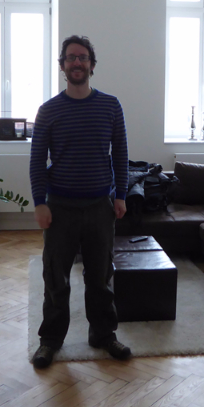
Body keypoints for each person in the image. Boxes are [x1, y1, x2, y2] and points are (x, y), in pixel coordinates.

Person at [29, 35, 131, 369]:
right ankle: (50, 340)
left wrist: (120, 195)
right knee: (55, 278)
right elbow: (37, 161)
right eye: (71, 57)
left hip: (100, 206)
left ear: (92, 65)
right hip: (60, 207)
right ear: (62, 65)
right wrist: (40, 202)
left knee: (100, 277)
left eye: (83, 57)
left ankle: (103, 334)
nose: (77, 62)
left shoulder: (111, 106)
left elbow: (121, 154)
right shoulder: (48, 111)